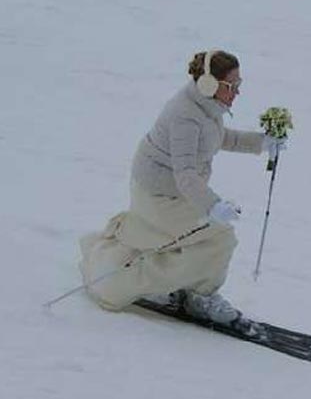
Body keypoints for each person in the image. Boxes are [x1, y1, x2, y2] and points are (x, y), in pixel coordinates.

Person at [78, 50, 285, 331]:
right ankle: (194, 295)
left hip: (176, 192)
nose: (237, 92)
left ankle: (193, 289)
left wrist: (262, 143)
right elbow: (185, 173)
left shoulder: (207, 108)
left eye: (239, 84)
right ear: (209, 85)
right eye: (231, 86)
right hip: (158, 196)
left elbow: (219, 137)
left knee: (209, 238)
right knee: (219, 238)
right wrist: (212, 206)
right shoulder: (185, 116)